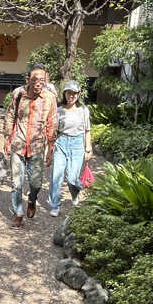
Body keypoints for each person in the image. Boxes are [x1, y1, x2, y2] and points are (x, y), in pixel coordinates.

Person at [3, 63, 58, 227]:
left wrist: (51, 148)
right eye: (36, 79)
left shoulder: (50, 98)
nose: (39, 82)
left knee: (36, 183)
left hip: (37, 147)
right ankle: (18, 213)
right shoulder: (18, 94)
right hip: (18, 144)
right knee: (16, 183)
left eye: (43, 79)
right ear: (28, 79)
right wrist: (7, 138)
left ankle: (32, 199)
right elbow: (10, 115)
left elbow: (52, 122)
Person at [48, 80, 92, 216]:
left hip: (78, 143)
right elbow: (53, 132)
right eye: (69, 93)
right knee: (57, 175)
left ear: (78, 95)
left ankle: (75, 194)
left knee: (73, 178)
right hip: (62, 142)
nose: (71, 96)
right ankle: (55, 205)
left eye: (74, 93)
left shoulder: (84, 110)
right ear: (65, 94)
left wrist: (88, 147)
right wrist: (49, 149)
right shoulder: (59, 110)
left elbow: (87, 130)